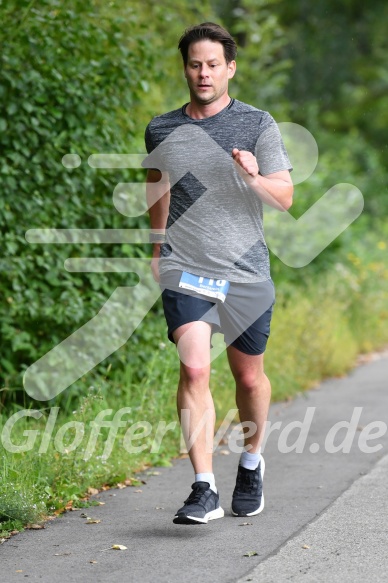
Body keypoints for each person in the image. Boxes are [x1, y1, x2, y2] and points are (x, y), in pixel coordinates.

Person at [143, 22, 293, 525]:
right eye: (194, 64)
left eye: (212, 64)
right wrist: (157, 246)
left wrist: (253, 175)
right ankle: (203, 487)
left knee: (248, 377)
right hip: (186, 267)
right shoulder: (161, 129)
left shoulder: (257, 124)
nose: (203, 73)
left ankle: (251, 463)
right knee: (194, 368)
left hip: (245, 271)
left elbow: (286, 198)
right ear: (184, 67)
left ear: (230, 68)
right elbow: (157, 187)